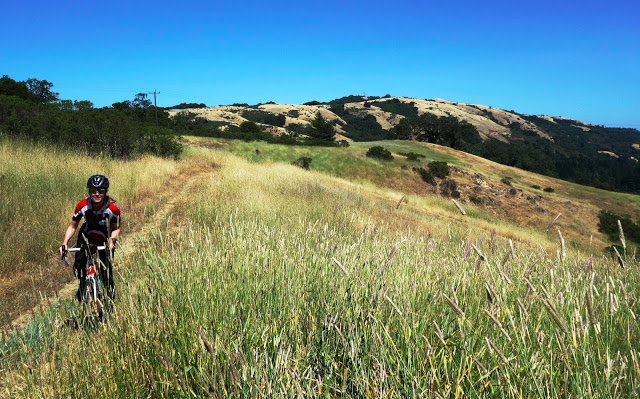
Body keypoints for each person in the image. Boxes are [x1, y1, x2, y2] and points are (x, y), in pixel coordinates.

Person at [59, 174, 121, 301]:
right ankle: (83, 284)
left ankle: (110, 297)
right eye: (93, 191)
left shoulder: (113, 209)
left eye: (100, 191)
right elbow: (72, 226)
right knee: (79, 265)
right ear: (89, 192)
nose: (97, 194)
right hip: (86, 235)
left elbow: (115, 228)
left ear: (105, 192)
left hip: (103, 237)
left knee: (105, 271)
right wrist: (64, 243)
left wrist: (112, 241)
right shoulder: (83, 205)